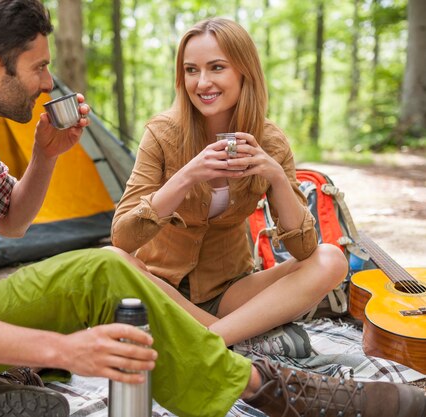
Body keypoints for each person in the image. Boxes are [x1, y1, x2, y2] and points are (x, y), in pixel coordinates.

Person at [0, 3, 426, 417]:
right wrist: (64, 351)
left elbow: (13, 225)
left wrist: (47, 157)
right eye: (40, 66)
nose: (48, 82)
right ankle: (277, 392)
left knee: (90, 282)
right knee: (99, 271)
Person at [111, 17, 347, 358]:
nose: (202, 82)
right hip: (161, 287)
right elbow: (123, 238)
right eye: (191, 70)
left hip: (230, 292)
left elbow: (304, 250)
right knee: (112, 259)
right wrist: (187, 176)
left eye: (216, 67)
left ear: (243, 72)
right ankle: (232, 339)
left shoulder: (270, 141)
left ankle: (205, 340)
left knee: (331, 259)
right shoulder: (162, 134)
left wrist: (277, 178)